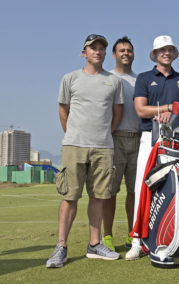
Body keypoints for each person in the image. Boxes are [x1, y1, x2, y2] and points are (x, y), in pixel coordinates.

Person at [46, 34, 123, 268]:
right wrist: (73, 134)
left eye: (101, 48)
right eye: (92, 48)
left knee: (99, 196)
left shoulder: (114, 81)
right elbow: (63, 109)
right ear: (84, 52)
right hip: (74, 145)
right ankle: (61, 247)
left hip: (103, 147)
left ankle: (94, 244)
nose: (97, 52)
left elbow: (117, 113)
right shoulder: (70, 78)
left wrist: (103, 134)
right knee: (69, 197)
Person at [125, 35, 179, 260]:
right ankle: (138, 240)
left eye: (170, 49)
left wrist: (170, 112)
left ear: (174, 53)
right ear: (155, 54)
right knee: (143, 187)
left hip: (177, 139)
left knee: (177, 187)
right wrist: (166, 108)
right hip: (150, 138)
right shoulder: (145, 78)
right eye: (162, 50)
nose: (166, 53)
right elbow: (141, 110)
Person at [102, 36, 141, 251]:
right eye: (121, 50)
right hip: (114, 140)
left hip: (138, 140)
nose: (125, 53)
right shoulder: (107, 78)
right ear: (114, 54)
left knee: (135, 192)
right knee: (110, 191)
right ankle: (106, 236)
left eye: (129, 50)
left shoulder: (141, 80)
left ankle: (132, 235)